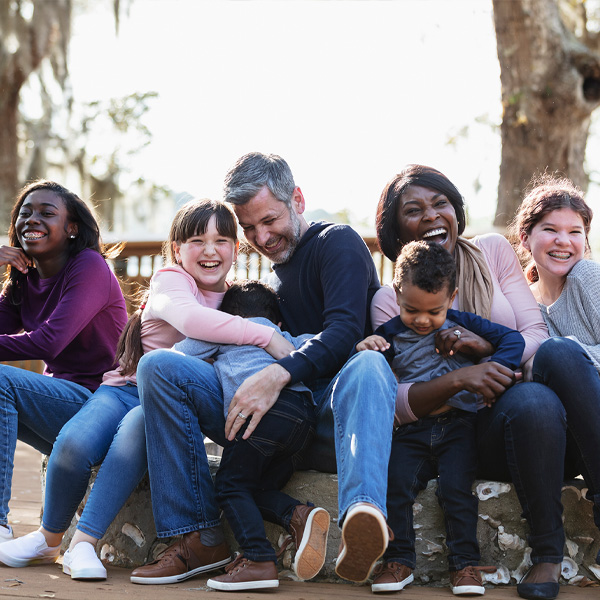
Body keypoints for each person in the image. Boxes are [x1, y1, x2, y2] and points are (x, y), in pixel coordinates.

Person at [0, 198, 291, 582]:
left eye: (221, 240)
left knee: (136, 430)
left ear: (236, 250)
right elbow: (191, 319)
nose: (209, 251)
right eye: (196, 241)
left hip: (163, 406)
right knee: (74, 442)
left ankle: (83, 543)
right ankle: (48, 537)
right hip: (122, 390)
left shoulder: (241, 300)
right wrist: (266, 334)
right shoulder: (170, 280)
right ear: (176, 250)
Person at [133, 152, 387, 586]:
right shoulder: (270, 282)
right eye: (248, 228)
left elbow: (344, 329)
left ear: (298, 199)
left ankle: (362, 515)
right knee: (159, 367)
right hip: (271, 424)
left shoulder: (336, 242)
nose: (263, 237)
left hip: (332, 413)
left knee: (368, 362)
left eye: (270, 220)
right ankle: (197, 538)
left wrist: (280, 372)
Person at [371, 164, 573, 600]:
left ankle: (547, 554)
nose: (430, 216)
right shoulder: (391, 302)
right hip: (442, 422)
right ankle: (402, 558)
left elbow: (534, 335)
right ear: (394, 228)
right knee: (402, 479)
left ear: (456, 210)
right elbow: (393, 395)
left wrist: (483, 354)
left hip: (502, 406)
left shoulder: (493, 252)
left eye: (440, 203)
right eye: (413, 210)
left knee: (535, 399)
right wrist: (462, 377)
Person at [359, 241, 523, 595]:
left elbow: (513, 340)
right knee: (397, 484)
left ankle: (464, 565)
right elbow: (366, 356)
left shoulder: (463, 324)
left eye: (434, 311)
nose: (421, 320)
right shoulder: (389, 331)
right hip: (411, 429)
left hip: (458, 426)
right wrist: (367, 344)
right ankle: (399, 560)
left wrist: (495, 366)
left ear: (452, 298)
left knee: (456, 490)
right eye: (410, 309)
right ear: (397, 293)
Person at [174, 280, 329, 590]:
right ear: (278, 321)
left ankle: (258, 559)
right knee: (252, 488)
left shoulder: (224, 335)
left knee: (229, 487)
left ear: (227, 319)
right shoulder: (286, 337)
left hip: (261, 413)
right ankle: (297, 514)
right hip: (303, 419)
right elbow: (322, 346)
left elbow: (178, 354)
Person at [0, 181, 127, 556]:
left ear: (71, 228)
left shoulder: (88, 266)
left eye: (46, 213)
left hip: (101, 406)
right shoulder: (26, 276)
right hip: (64, 406)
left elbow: (47, 342)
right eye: (25, 212)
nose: (32, 220)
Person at [511, 176, 600, 566]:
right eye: (550, 229)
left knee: (558, 353)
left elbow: (558, 360)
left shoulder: (587, 278)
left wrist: (566, 355)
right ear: (526, 237)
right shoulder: (522, 305)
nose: (564, 241)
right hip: (559, 440)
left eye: (574, 232)